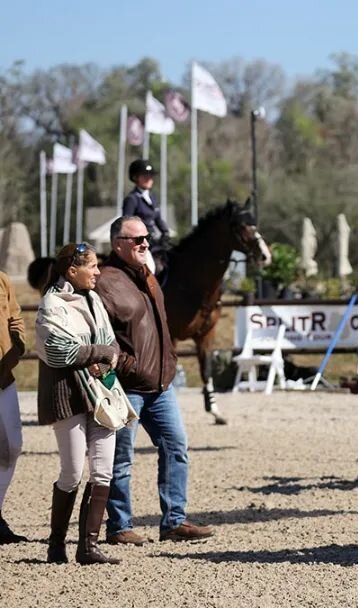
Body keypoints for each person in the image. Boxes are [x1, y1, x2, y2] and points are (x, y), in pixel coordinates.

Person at [95, 217, 213, 544]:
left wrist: (168, 364)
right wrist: (129, 367)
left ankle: (174, 520)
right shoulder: (106, 281)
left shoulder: (148, 276)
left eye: (146, 238)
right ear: (118, 243)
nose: (145, 244)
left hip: (162, 386)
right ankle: (119, 526)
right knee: (121, 459)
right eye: (137, 240)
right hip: (126, 387)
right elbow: (103, 335)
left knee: (177, 447)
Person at [35, 243, 123, 564]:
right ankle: (56, 543)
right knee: (72, 471)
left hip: (100, 393)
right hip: (67, 395)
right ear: (73, 271)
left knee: (103, 470)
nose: (99, 272)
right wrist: (99, 353)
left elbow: (111, 343)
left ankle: (88, 547)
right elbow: (59, 350)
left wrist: (105, 358)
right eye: (93, 267)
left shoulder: (95, 300)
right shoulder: (50, 305)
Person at [0, 270, 27, 545]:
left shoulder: (2, 279)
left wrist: (17, 344)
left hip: (3, 378)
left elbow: (15, 316)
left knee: (13, 445)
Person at [122, 160, 170, 275]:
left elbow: (158, 219)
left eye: (151, 176)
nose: (149, 179)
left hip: (154, 242)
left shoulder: (152, 197)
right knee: (152, 268)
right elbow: (127, 225)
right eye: (145, 176)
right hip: (140, 243)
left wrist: (166, 233)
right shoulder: (132, 199)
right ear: (135, 178)